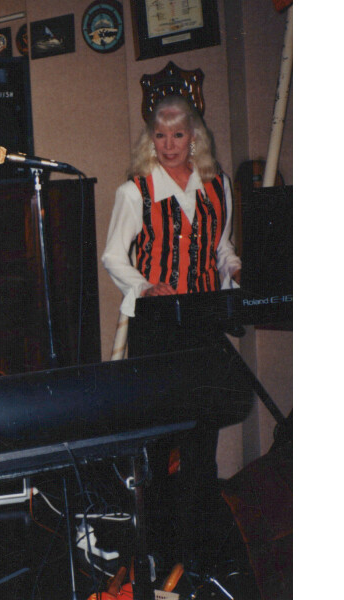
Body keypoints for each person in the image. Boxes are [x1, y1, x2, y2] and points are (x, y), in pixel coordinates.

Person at [100, 93, 242, 568]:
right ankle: (158, 557)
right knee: (158, 448)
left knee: (203, 443)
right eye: (160, 135)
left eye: (178, 135)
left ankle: (200, 554)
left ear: (194, 137)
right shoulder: (134, 191)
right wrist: (143, 286)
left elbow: (222, 247)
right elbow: (113, 256)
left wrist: (233, 270)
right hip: (157, 330)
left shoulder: (217, 184)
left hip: (202, 324)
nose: (169, 145)